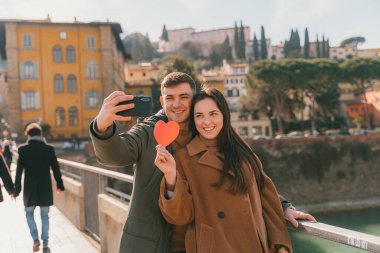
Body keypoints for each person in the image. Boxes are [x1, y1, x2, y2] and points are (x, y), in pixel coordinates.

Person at [90, 72, 314, 253]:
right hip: (152, 242)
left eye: (184, 97)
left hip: (193, 243)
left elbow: (247, 176)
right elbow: (114, 155)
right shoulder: (149, 132)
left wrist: (283, 206)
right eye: (170, 98)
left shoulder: (207, 133)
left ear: (194, 99)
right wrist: (102, 124)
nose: (177, 104)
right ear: (161, 101)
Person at [155, 88, 292, 253]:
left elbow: (268, 202)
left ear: (224, 115)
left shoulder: (244, 153)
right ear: (193, 119)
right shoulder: (183, 159)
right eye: (199, 116)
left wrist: (281, 244)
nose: (206, 122)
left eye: (213, 113)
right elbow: (179, 217)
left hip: (255, 246)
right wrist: (170, 176)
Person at [13, 123, 65, 253]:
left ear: (28, 135)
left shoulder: (23, 150)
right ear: (40, 134)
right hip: (45, 189)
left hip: (29, 189)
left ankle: (35, 239)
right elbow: (56, 169)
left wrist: (16, 191)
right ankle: (46, 246)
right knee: (45, 216)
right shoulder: (49, 149)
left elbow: (19, 172)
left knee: (29, 213)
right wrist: (60, 184)